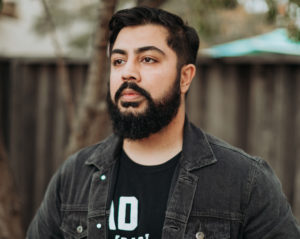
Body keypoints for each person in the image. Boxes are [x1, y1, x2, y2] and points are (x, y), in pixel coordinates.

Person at [27, 6, 300, 239]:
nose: (128, 73)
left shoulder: (245, 181)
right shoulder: (74, 175)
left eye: (147, 59)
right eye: (119, 60)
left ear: (185, 77)